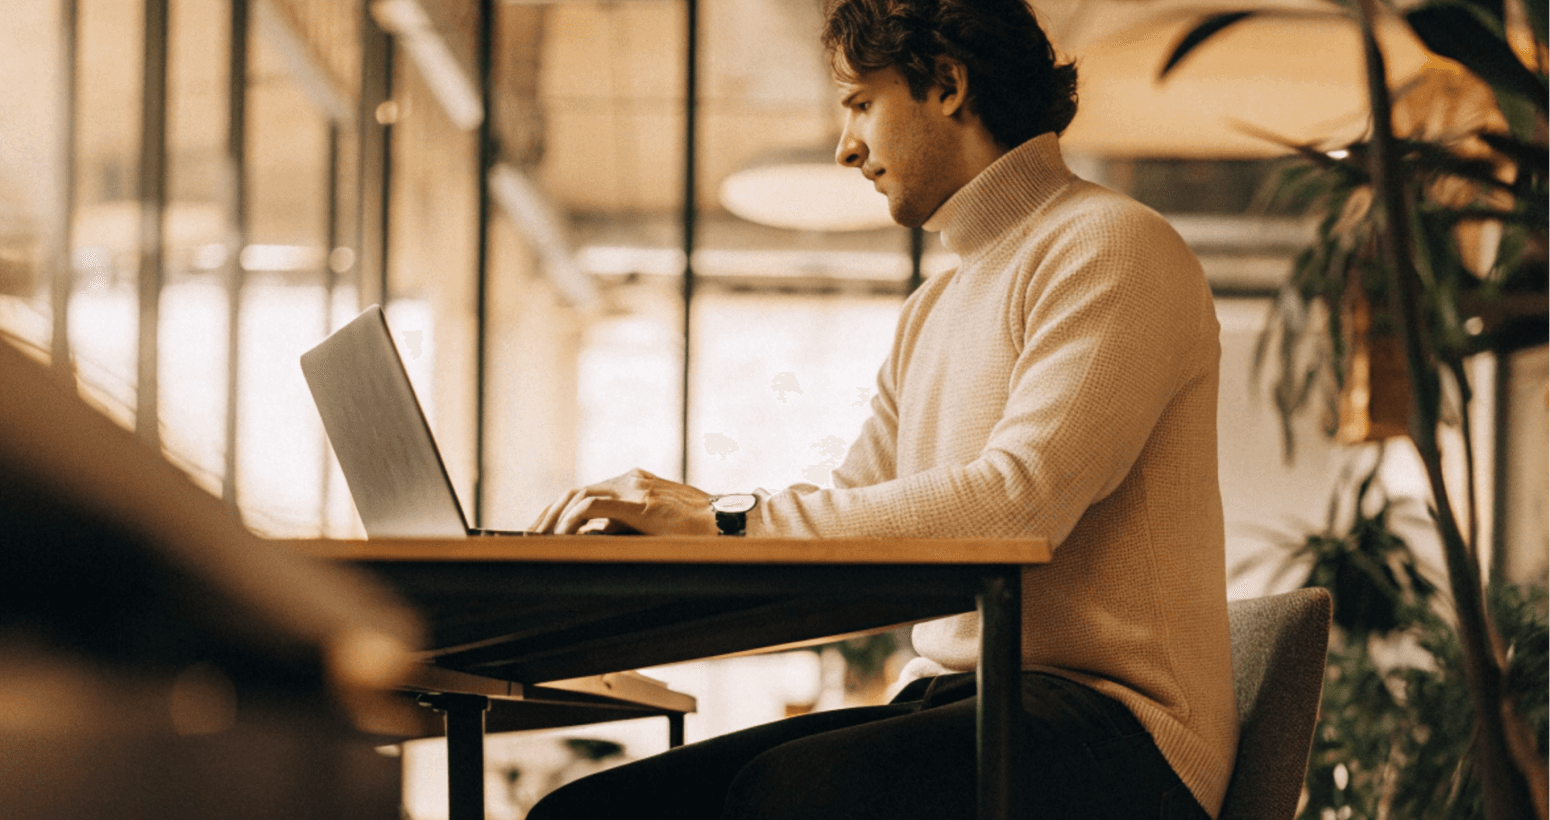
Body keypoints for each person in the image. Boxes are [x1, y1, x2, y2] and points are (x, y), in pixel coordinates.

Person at [527, 0, 1238, 816]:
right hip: (958, 703)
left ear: (947, 84)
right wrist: (665, 535)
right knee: (587, 812)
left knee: (792, 795)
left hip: (1119, 733)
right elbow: (853, 521)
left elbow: (1017, 504)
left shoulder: (1111, 245)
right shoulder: (933, 310)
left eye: (861, 103)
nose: (846, 147)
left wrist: (722, 520)